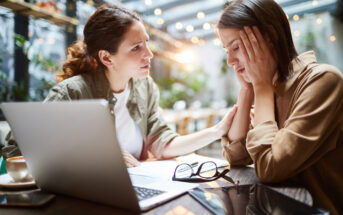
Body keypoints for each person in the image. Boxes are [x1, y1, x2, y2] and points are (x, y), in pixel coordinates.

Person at [1, 4, 237, 168]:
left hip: (133, 190)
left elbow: (162, 143)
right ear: (107, 58)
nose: (150, 54)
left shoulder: (145, 88)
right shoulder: (73, 92)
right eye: (136, 48)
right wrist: (96, 159)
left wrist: (216, 131)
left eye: (147, 43)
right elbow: (15, 150)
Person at [216, 0, 343, 214]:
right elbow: (235, 156)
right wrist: (247, 91)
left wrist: (261, 87)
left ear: (271, 37)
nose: (229, 60)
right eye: (226, 50)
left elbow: (270, 168)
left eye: (236, 47)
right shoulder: (273, 87)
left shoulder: (323, 80)